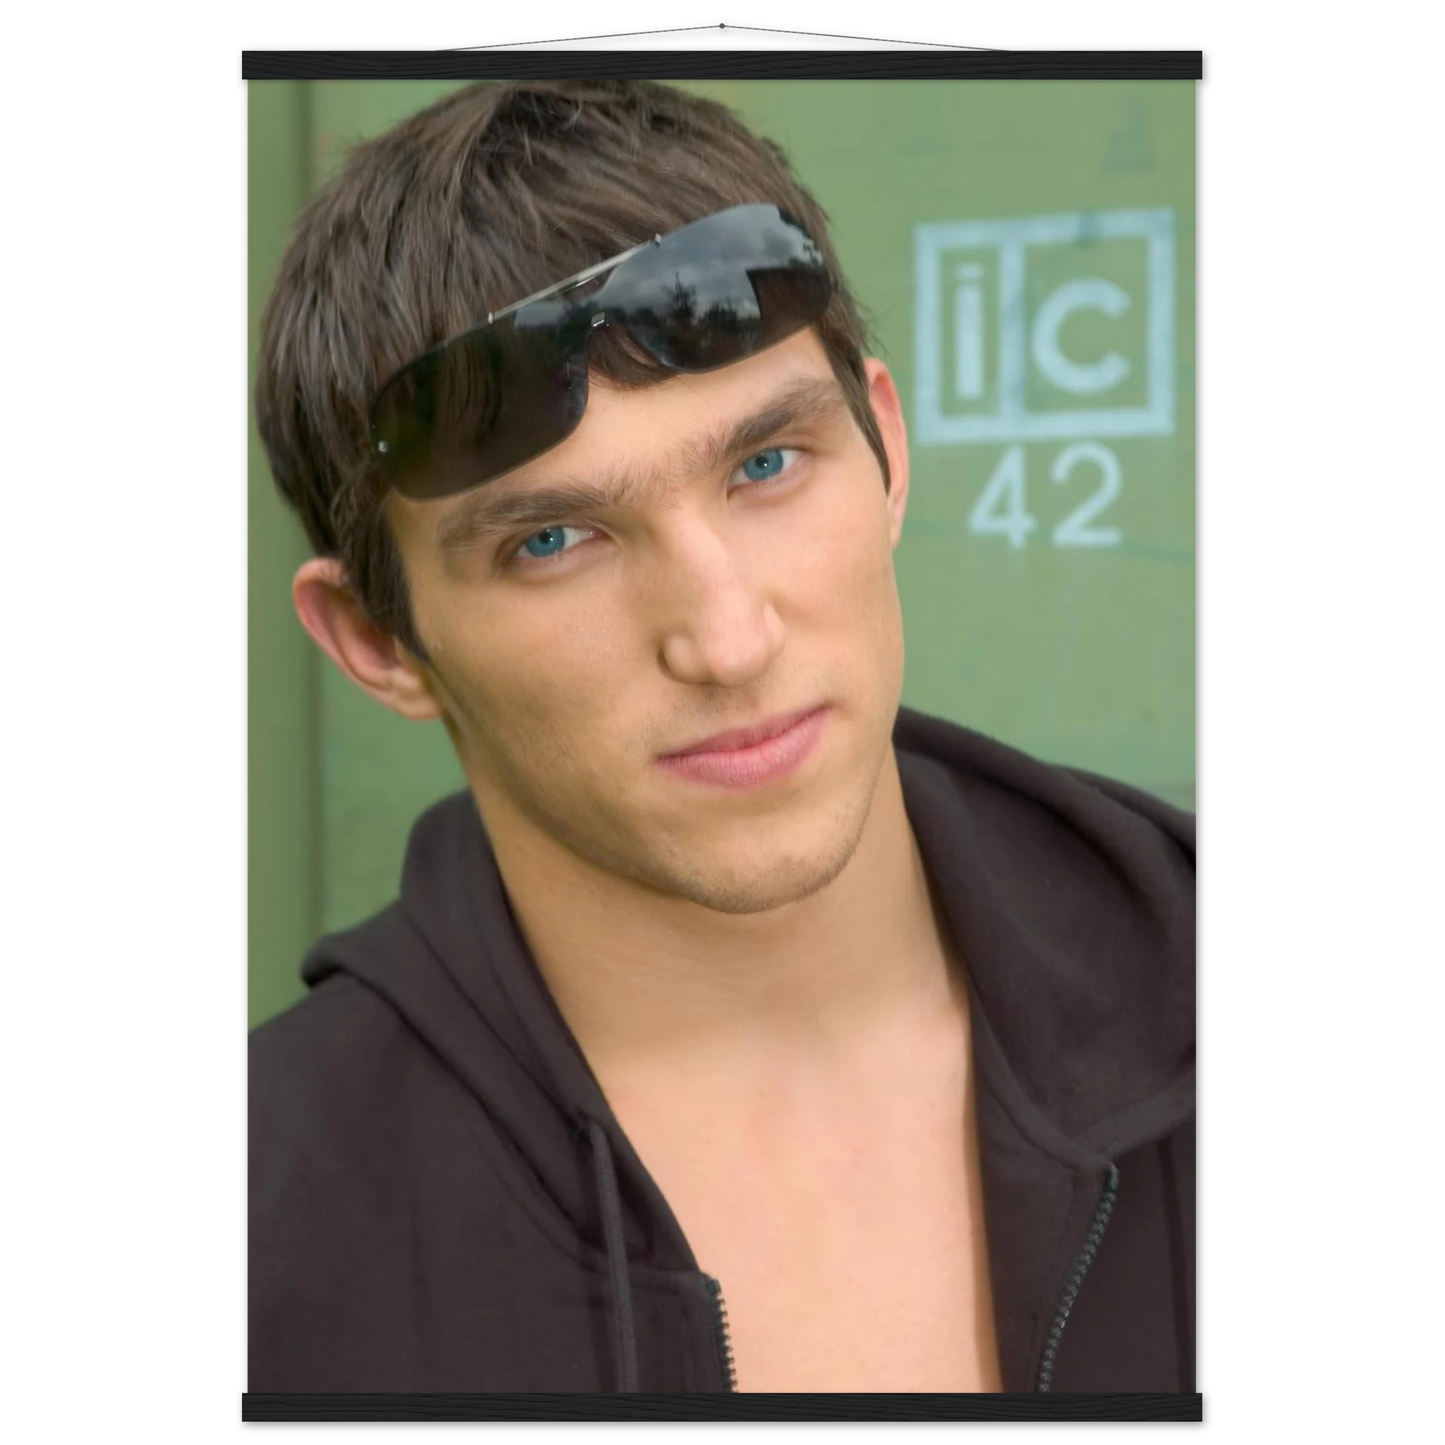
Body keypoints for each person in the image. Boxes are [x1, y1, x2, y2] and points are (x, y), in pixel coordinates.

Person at [248, 79, 1196, 1396]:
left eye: (766, 465)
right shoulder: (272, 1241)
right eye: (552, 540)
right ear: (378, 643)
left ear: (886, 448)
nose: (729, 639)